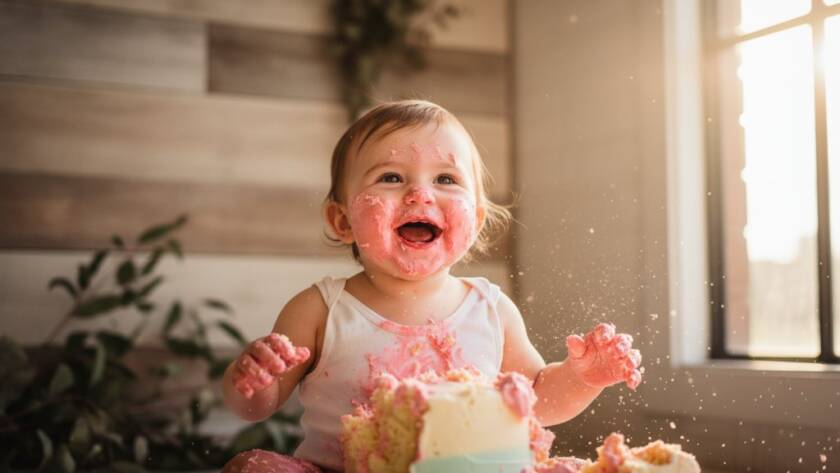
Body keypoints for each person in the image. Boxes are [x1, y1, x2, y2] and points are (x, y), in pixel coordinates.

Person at [221, 100, 642, 473]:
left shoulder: (491, 310)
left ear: (475, 221)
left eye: (445, 179)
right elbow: (259, 408)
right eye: (390, 178)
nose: (420, 194)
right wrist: (253, 382)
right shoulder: (321, 309)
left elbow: (537, 403)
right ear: (342, 220)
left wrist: (584, 377)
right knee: (253, 467)